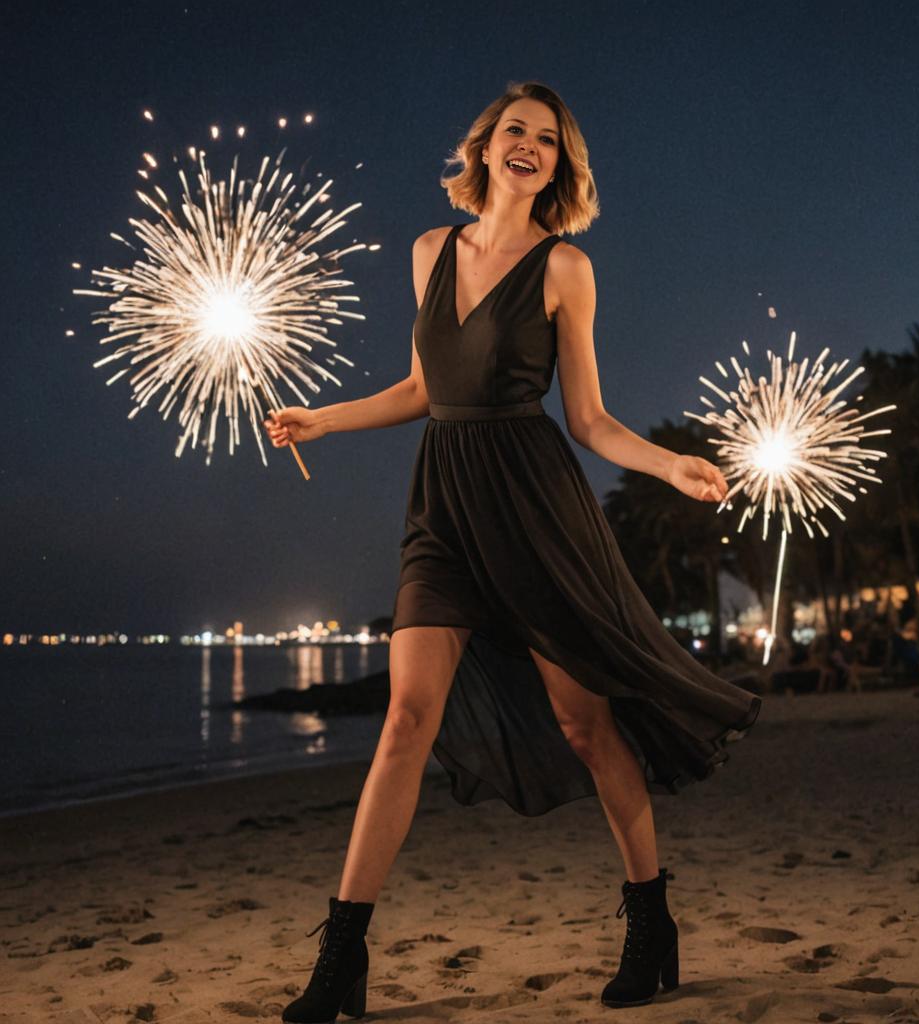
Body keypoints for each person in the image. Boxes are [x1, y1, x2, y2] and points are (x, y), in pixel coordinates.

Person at [263, 81, 761, 1021]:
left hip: (533, 508)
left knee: (585, 725)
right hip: (442, 507)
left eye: (547, 139)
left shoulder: (566, 268)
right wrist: (322, 421)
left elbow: (589, 419)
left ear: (558, 165)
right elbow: (422, 385)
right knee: (408, 717)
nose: (528, 146)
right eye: (514, 132)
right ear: (485, 148)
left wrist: (668, 466)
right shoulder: (427, 254)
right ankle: (342, 955)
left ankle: (649, 918)